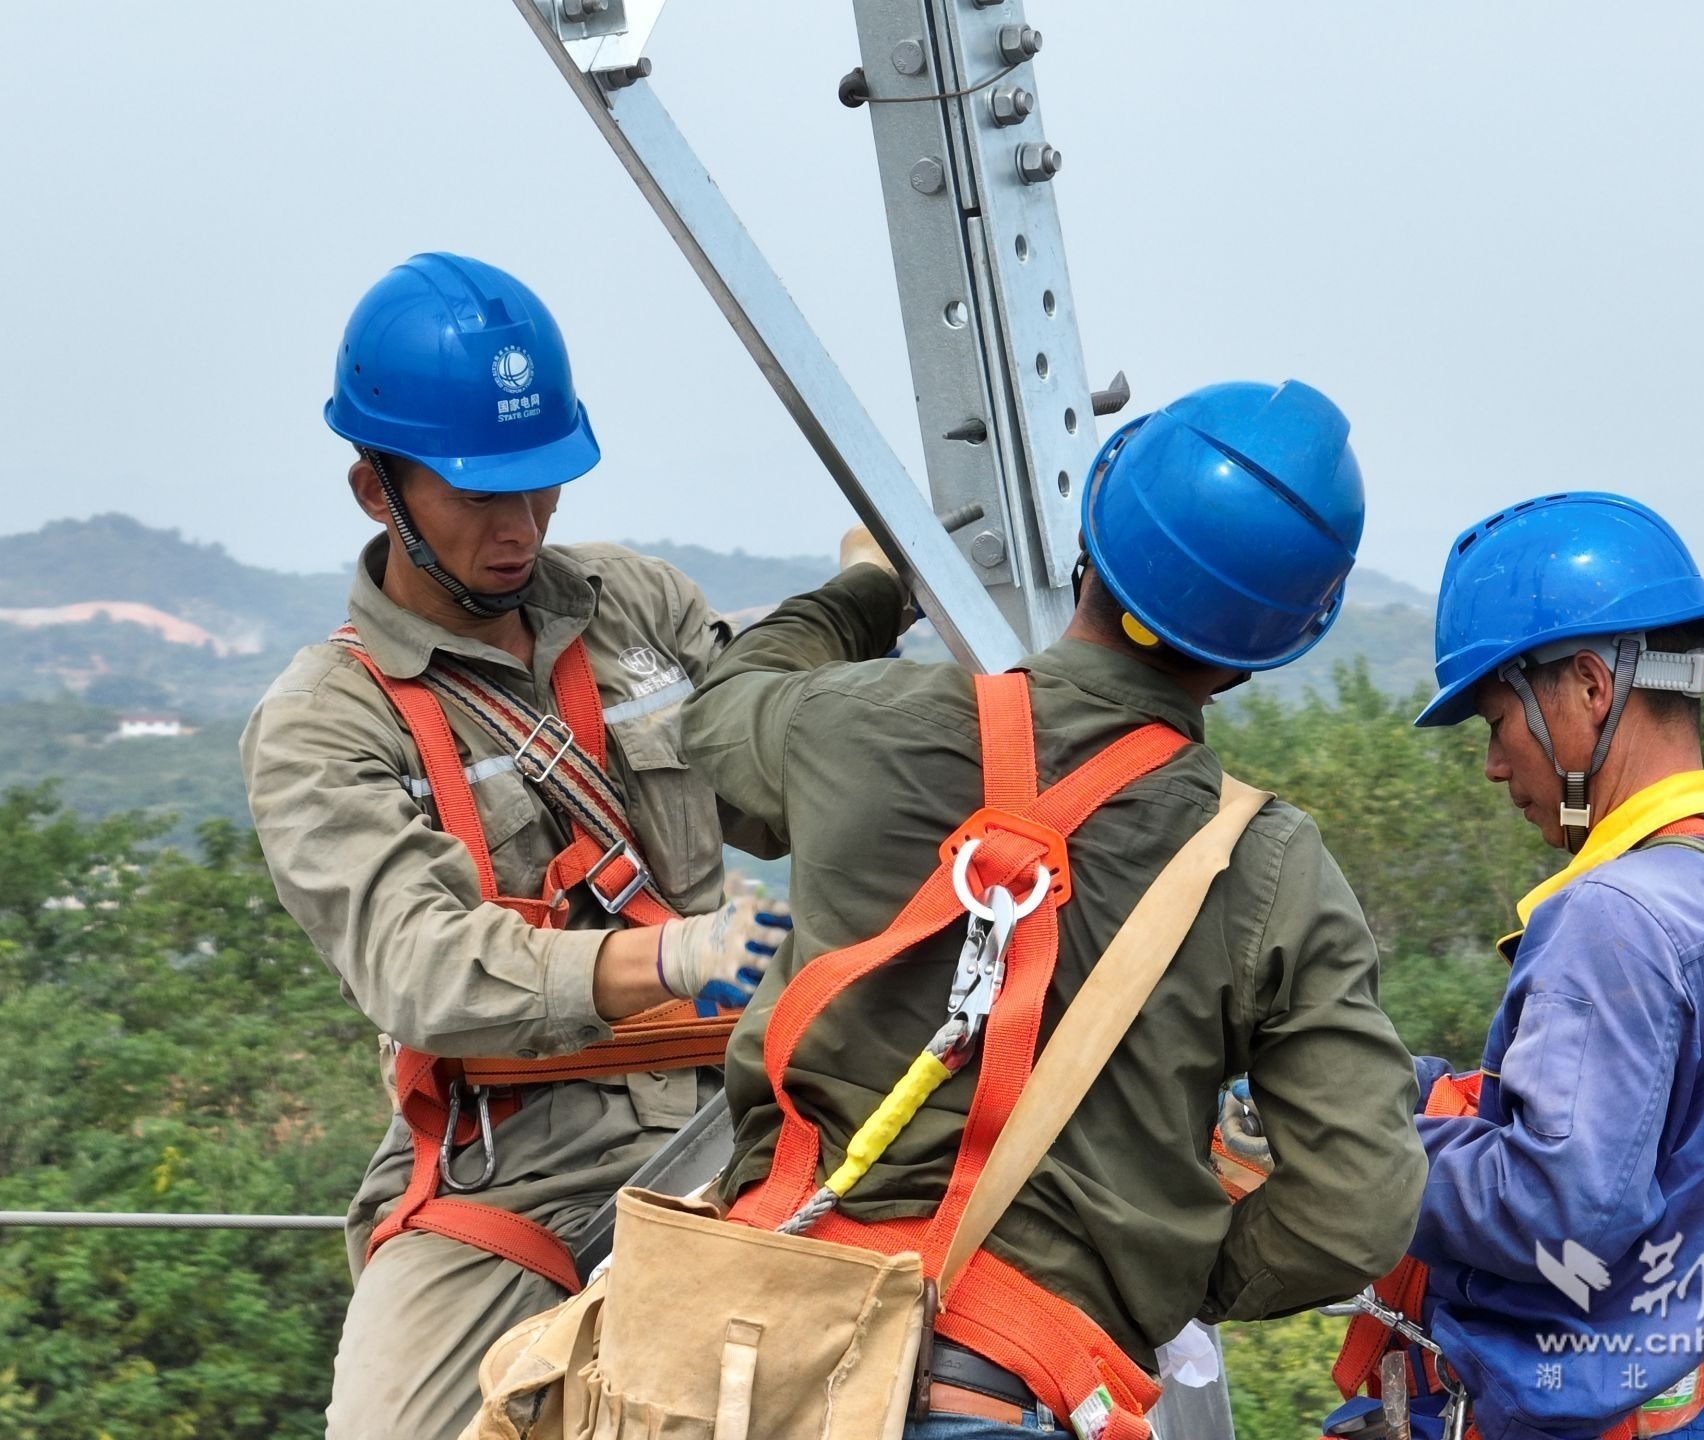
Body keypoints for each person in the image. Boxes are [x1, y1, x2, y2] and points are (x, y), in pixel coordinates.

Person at [681, 380, 1427, 1439]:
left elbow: (718, 722)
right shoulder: (1268, 868)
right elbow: (1356, 1202)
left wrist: (874, 585)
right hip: (1015, 1384)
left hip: (754, 1364)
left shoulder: (853, 727)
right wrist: (1156, 1265)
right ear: (1265, 649)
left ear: (1095, 539)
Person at [240, 252, 788, 1440]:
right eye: (480, 493)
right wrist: (672, 959)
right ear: (375, 490)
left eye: (541, 486)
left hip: (754, 1108)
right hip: (518, 1162)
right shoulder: (329, 720)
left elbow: (773, 747)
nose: (522, 525)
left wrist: (853, 634)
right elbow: (421, 967)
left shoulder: (633, 607)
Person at [1371, 492, 1704, 1440]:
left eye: (1496, 721)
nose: (1494, 766)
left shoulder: (1613, 918)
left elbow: (1556, 1207)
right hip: (1679, 1400)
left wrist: (1341, 1147)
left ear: (1590, 687)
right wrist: (1392, 1090)